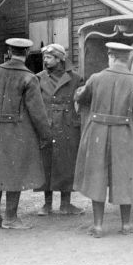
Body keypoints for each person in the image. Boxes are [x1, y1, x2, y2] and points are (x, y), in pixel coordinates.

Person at [73, 42, 133, 238]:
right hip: (124, 135)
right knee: (125, 177)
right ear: (127, 60)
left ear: (111, 57)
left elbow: (81, 99)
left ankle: (98, 226)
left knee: (97, 178)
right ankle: (126, 225)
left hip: (97, 134)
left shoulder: (95, 78)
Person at [0, 38, 51, 230]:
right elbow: (37, 111)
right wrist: (45, 135)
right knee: (15, 172)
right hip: (18, 131)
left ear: (9, 52)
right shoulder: (30, 78)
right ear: (26, 53)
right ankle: (10, 217)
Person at [35, 44, 84, 216]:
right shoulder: (38, 78)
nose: (45, 61)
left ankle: (66, 204)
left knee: (66, 164)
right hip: (47, 125)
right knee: (46, 164)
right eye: (45, 58)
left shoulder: (76, 78)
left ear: (59, 58)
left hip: (67, 126)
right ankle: (46, 205)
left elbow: (82, 102)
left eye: (49, 57)